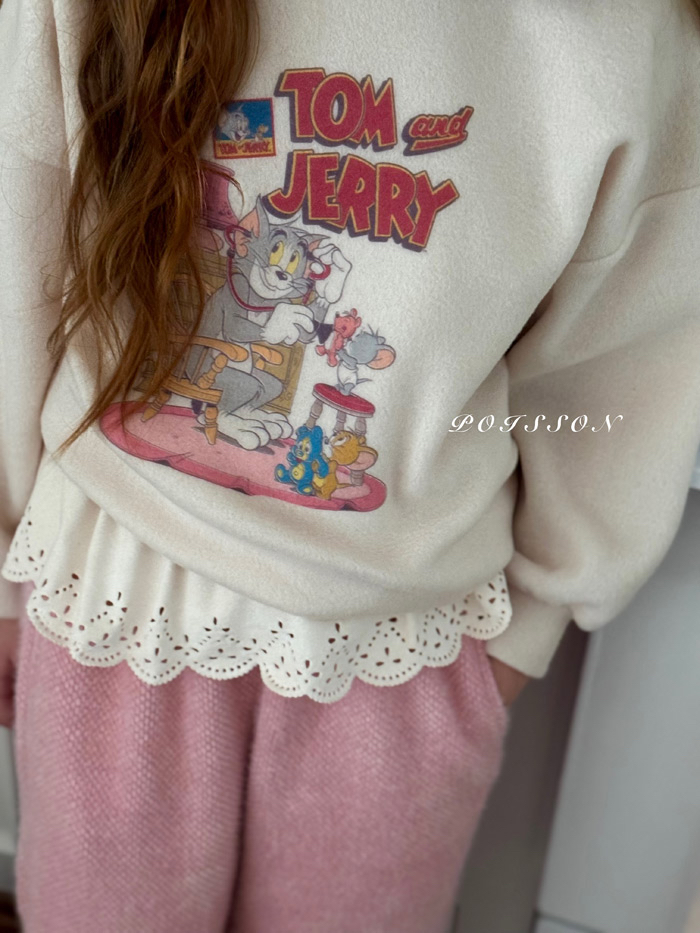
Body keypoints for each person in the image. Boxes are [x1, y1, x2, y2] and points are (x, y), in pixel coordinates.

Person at [1, 0, 700, 930]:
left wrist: (530, 622)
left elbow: (616, 368)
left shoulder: (626, 33)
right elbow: (22, 254)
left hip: (398, 648)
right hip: (111, 599)